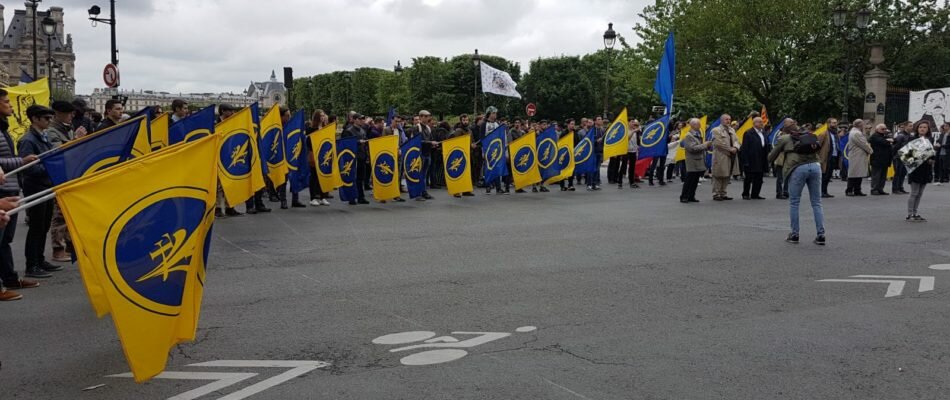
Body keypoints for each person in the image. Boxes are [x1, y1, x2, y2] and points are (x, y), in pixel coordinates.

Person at [0, 89, 40, 300]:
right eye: (6, 102)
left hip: (10, 187)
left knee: (5, 240)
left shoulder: (3, 129)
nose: (11, 105)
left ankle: (10, 278)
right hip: (3, 187)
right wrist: (21, 162)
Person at [18, 105, 65, 278]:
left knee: (43, 226)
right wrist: (51, 168)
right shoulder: (28, 140)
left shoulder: (43, 137)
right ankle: (32, 265)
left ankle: (39, 259)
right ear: (35, 119)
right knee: (36, 227)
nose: (49, 121)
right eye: (46, 118)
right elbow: (28, 168)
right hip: (35, 186)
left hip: (45, 186)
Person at [768, 124, 826, 245]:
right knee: (816, 202)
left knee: (794, 202)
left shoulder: (784, 138)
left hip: (797, 168)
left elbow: (771, 156)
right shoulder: (809, 136)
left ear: (785, 130)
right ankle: (821, 235)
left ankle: (794, 234)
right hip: (815, 166)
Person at [46, 101, 85, 262]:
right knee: (59, 215)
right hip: (58, 177)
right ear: (58, 114)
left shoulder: (65, 129)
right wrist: (76, 139)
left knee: (68, 213)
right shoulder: (52, 131)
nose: (71, 117)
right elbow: (58, 151)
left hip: (69, 175)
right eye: (69, 113)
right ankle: (58, 248)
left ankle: (69, 245)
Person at [906, 120, 935, 221]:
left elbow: (932, 153)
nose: (922, 129)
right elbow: (908, 155)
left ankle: (915, 212)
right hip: (915, 168)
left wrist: (931, 159)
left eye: (925, 127)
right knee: (914, 192)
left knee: (920, 193)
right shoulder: (913, 139)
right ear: (917, 128)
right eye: (920, 127)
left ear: (928, 129)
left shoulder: (929, 139)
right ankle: (910, 214)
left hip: (926, 168)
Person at [680, 118, 712, 203]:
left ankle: (691, 196)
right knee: (689, 180)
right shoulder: (689, 136)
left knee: (695, 180)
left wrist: (705, 145)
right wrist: (705, 145)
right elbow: (692, 148)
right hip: (692, 161)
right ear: (693, 125)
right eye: (698, 124)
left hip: (698, 160)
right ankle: (684, 196)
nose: (700, 126)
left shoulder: (697, 134)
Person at [306, 109, 332, 206]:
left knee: (323, 176)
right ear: (317, 117)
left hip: (323, 155)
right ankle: (313, 197)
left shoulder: (325, 128)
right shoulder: (311, 129)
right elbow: (308, 142)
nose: (323, 117)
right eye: (321, 116)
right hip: (314, 154)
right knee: (314, 177)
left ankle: (323, 196)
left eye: (323, 115)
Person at [710, 114, 739, 201]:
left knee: (727, 175)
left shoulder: (732, 130)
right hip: (720, 155)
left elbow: (737, 141)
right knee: (718, 175)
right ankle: (716, 194)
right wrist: (730, 149)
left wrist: (735, 147)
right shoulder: (716, 130)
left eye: (729, 119)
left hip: (731, 155)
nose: (728, 121)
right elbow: (718, 143)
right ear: (721, 120)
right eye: (726, 119)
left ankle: (723, 193)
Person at [739, 117, 770, 200]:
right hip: (751, 159)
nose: (761, 123)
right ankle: (745, 194)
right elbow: (745, 148)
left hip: (761, 158)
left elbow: (765, 144)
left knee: (759, 178)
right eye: (759, 122)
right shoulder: (749, 133)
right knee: (748, 178)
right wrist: (745, 161)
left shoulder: (763, 133)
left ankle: (755, 194)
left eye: (762, 122)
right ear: (754, 123)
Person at [410, 110, 436, 201]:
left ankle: (423, 192)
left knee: (424, 174)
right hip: (419, 154)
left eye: (428, 116)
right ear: (421, 117)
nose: (428, 118)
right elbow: (416, 142)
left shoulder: (428, 128)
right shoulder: (416, 128)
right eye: (426, 116)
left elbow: (430, 138)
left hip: (427, 153)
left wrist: (433, 143)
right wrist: (430, 142)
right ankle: (418, 194)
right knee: (418, 174)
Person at [845, 119, 872, 196]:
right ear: (859, 125)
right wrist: (870, 151)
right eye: (863, 124)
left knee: (858, 173)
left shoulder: (855, 132)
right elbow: (863, 144)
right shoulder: (856, 133)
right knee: (854, 173)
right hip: (857, 155)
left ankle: (857, 189)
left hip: (858, 155)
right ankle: (849, 190)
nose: (864, 126)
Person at [868, 123, 893, 195]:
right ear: (877, 129)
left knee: (883, 175)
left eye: (885, 129)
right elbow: (883, 142)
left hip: (885, 159)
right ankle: (874, 189)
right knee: (876, 175)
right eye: (882, 129)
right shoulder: (875, 136)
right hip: (877, 159)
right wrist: (889, 141)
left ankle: (880, 189)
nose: (884, 130)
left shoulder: (884, 136)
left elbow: (893, 141)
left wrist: (889, 140)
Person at [817, 118, 840, 198]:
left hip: (834, 156)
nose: (836, 124)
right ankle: (822, 191)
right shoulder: (824, 132)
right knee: (824, 175)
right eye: (834, 123)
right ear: (828, 123)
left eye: (836, 122)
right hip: (825, 157)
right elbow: (818, 145)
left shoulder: (835, 133)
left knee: (828, 175)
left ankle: (825, 191)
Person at [890, 121, 912, 194]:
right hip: (898, 156)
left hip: (906, 156)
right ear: (905, 126)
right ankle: (895, 189)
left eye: (912, 126)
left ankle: (900, 187)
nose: (911, 127)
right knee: (898, 173)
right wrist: (894, 155)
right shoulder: (901, 135)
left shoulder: (910, 135)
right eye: (910, 126)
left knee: (903, 173)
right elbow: (895, 146)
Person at [625, 119, 641, 189]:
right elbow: (628, 138)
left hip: (633, 150)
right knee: (623, 166)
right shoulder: (626, 130)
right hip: (626, 150)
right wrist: (633, 131)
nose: (633, 124)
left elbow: (636, 140)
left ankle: (632, 181)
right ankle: (619, 181)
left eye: (634, 123)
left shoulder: (635, 131)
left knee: (632, 167)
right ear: (628, 123)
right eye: (632, 122)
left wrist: (637, 147)